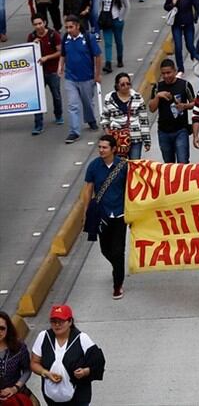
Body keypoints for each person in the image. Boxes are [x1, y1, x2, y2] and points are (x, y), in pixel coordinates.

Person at [30, 305, 105, 405]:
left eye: (61, 321)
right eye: (53, 321)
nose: (57, 325)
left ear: (70, 322)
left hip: (79, 397)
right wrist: (46, 373)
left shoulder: (82, 338)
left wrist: (84, 372)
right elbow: (34, 363)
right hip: (51, 397)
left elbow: (98, 363)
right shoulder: (43, 337)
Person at [84, 135, 129, 298]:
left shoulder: (123, 166)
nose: (101, 150)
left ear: (113, 149)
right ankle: (118, 267)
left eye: (104, 147)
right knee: (105, 250)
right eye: (100, 147)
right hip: (102, 215)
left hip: (120, 215)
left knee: (118, 251)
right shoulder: (93, 166)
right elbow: (88, 189)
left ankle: (118, 285)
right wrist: (86, 210)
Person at [59, 15, 102, 144]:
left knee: (87, 102)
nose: (68, 30)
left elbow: (98, 56)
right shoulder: (65, 39)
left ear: (77, 26)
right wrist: (60, 66)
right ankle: (74, 132)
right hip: (70, 78)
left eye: (71, 27)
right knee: (73, 105)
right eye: (66, 27)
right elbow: (63, 54)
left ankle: (91, 119)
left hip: (87, 77)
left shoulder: (89, 38)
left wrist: (97, 74)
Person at [149, 59, 195, 163]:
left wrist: (184, 106)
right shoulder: (157, 87)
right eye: (163, 73)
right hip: (163, 131)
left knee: (183, 162)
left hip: (181, 130)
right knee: (168, 164)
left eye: (168, 73)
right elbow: (152, 109)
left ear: (175, 71)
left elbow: (194, 103)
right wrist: (158, 96)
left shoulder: (185, 85)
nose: (166, 76)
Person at [100, 72, 150, 159]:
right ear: (117, 86)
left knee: (134, 165)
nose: (126, 86)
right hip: (116, 139)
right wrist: (108, 135)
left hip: (135, 138)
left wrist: (147, 141)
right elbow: (105, 117)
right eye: (122, 84)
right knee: (118, 166)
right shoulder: (109, 98)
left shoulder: (137, 97)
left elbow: (144, 120)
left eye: (128, 84)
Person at [29, 15, 64, 135]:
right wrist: (33, 45)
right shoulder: (32, 36)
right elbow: (27, 54)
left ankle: (58, 115)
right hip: (38, 73)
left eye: (40, 23)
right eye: (35, 24)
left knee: (56, 95)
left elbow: (60, 52)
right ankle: (38, 124)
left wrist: (47, 57)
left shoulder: (54, 35)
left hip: (52, 71)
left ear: (44, 22)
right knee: (38, 99)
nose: (38, 26)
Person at [164, 0, 199, 74]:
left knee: (190, 45)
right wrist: (172, 4)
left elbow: (198, 7)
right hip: (176, 25)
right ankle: (180, 68)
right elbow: (166, 7)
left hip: (188, 23)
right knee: (178, 47)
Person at [98, 0, 129, 72]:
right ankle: (108, 63)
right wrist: (100, 16)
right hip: (106, 20)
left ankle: (120, 58)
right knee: (107, 43)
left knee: (118, 41)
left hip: (116, 19)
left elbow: (127, 5)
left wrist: (121, 17)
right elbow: (100, 4)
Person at [0, 311, 32, 403]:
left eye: (2, 328)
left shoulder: (19, 347)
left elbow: (27, 370)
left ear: (8, 329)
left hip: (17, 395)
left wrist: (15, 388)